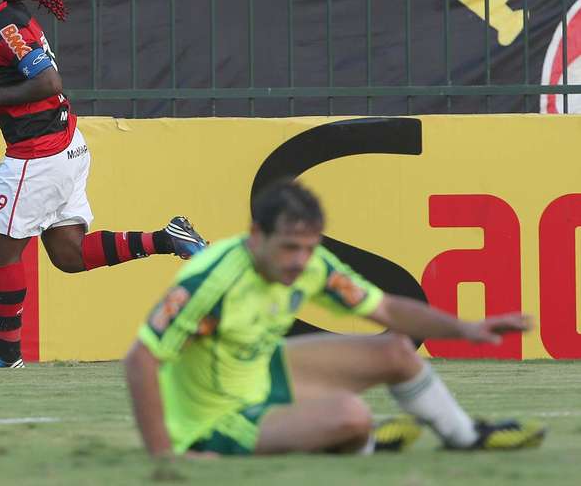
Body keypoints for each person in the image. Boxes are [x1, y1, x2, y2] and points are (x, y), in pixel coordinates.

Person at [125, 180, 546, 456]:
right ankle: (361, 444)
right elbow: (141, 358)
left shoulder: (310, 263)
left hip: (257, 372)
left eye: (308, 247)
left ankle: (466, 437)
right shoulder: (210, 279)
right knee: (353, 416)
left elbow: (387, 309)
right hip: (214, 419)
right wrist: (165, 457)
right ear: (257, 236)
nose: (301, 261)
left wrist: (465, 329)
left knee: (396, 351)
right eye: (290, 247)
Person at [0, 0, 207, 370]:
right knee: (68, 256)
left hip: (39, 155)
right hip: (64, 147)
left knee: (0, 247)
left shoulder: (9, 27)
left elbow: (49, 82)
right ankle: (168, 238)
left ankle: (8, 352)